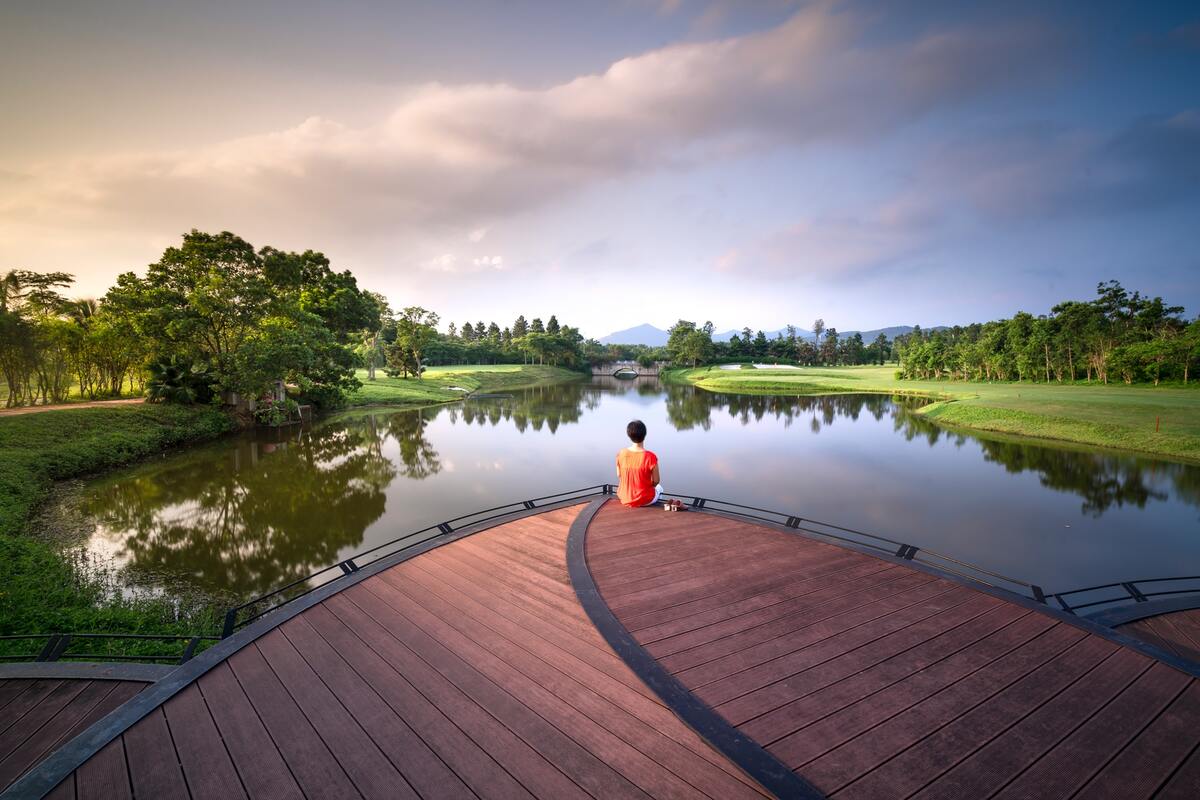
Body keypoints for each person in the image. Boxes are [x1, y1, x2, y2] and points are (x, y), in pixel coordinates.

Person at [616, 419, 662, 507]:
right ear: (645, 435)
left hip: (624, 497)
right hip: (645, 499)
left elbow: (619, 475)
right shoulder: (650, 456)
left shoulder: (621, 453)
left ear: (629, 435)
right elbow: (656, 481)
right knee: (660, 488)